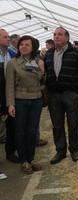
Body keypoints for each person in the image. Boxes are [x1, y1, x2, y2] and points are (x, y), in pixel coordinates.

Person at [43, 27, 78, 164]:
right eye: (55, 34)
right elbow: (45, 74)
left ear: (67, 38)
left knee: (73, 123)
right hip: (54, 95)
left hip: (70, 94)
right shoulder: (49, 54)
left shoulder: (76, 53)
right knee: (57, 125)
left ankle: (74, 150)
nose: (56, 37)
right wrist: (49, 94)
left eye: (60, 34)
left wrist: (77, 93)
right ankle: (60, 151)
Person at [6, 35, 44, 174]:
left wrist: (42, 70)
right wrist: (10, 104)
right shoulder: (13, 63)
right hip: (20, 100)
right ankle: (24, 161)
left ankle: (31, 158)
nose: (23, 47)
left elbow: (40, 81)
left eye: (27, 44)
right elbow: (9, 85)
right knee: (20, 131)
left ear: (33, 47)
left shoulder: (36, 61)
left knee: (32, 131)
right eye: (21, 44)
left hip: (36, 100)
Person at [0, 29, 19, 164]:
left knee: (12, 126)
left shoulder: (11, 54)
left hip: (10, 94)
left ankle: (10, 153)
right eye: (5, 37)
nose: (8, 39)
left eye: (8, 37)